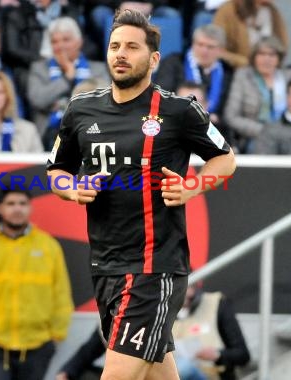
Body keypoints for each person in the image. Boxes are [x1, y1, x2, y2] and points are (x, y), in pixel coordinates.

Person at [47, 9, 236, 380]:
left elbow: (225, 160)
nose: (120, 53)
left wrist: (191, 187)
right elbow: (56, 170)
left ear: (153, 59)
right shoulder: (81, 109)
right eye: (115, 46)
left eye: (132, 47)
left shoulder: (178, 111)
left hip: (154, 268)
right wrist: (72, 190)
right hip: (105, 265)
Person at [0, 189, 74, 380]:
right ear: (0, 209)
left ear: (30, 208)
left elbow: (61, 293)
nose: (17, 209)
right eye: (11, 204)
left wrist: (56, 333)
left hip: (36, 346)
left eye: (22, 204)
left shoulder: (48, 247)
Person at [27, 16, 109, 150]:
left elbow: (104, 102)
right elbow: (38, 100)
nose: (60, 46)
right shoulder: (39, 68)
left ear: (79, 42)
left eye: (66, 40)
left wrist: (60, 103)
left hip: (91, 130)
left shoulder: (98, 69)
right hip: (49, 133)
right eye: (54, 42)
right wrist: (67, 78)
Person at [155, 24, 233, 126]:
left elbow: (230, 109)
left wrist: (217, 118)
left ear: (221, 50)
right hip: (175, 123)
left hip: (214, 127)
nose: (204, 51)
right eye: (200, 44)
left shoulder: (227, 71)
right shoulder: (174, 62)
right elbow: (161, 96)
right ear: (192, 44)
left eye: (210, 47)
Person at [224, 36, 290, 153]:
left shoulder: (288, 77)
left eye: (271, 55)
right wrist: (264, 131)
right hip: (255, 136)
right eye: (262, 54)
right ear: (254, 57)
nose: (266, 59)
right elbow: (231, 117)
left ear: (279, 58)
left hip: (287, 135)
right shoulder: (243, 76)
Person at [172, 285, 250, 380]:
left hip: (212, 374)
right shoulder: (161, 312)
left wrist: (217, 355)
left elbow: (243, 355)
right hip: (175, 373)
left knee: (184, 369)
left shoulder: (217, 304)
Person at [213, 0, 288, 68]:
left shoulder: (273, 11)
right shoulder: (228, 10)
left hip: (268, 71)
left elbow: (282, 46)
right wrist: (246, 63)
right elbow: (217, 49)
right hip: (236, 71)